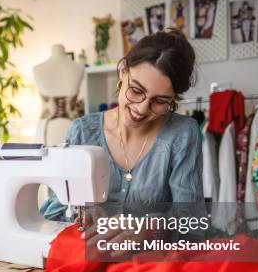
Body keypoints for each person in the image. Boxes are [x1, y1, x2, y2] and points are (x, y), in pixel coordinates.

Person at [40, 28, 203, 222]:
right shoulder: (83, 132)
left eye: (159, 101)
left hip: (154, 253)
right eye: (136, 90)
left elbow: (191, 222)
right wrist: (79, 213)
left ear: (173, 99)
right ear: (123, 71)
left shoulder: (182, 135)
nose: (142, 109)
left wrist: (151, 229)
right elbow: (53, 213)